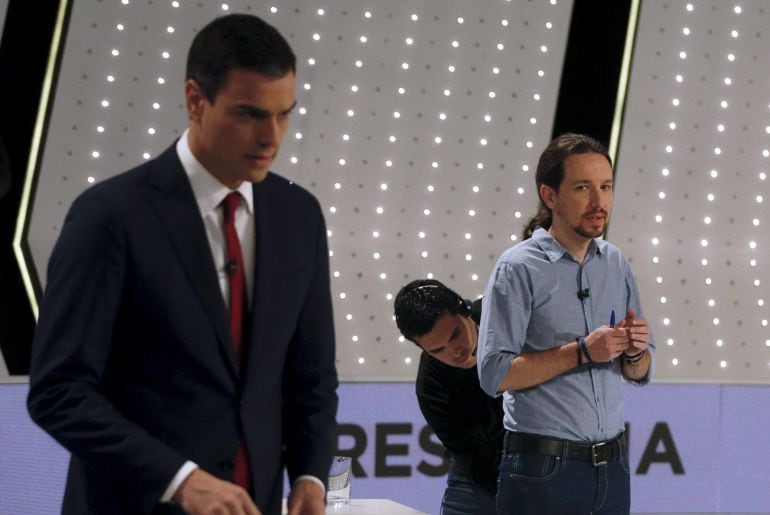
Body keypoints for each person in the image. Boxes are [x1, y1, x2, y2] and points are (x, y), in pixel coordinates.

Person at [27, 14, 338, 515]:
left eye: (284, 115)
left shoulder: (300, 216)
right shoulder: (110, 216)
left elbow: (312, 378)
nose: (271, 137)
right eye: (250, 114)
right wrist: (180, 479)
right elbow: (59, 393)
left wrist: (311, 476)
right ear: (195, 100)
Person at [477, 133, 654, 515]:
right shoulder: (518, 267)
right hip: (543, 470)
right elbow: (494, 374)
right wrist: (582, 352)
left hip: (613, 466)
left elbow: (638, 370)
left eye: (605, 187)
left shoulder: (615, 263)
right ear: (550, 195)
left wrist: (636, 351)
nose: (599, 202)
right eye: (582, 188)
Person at [394, 279, 503, 515]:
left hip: (554, 453)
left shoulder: (506, 316)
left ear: (464, 309)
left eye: (455, 335)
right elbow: (477, 460)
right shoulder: (431, 386)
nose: (455, 352)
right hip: (484, 471)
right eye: (437, 350)